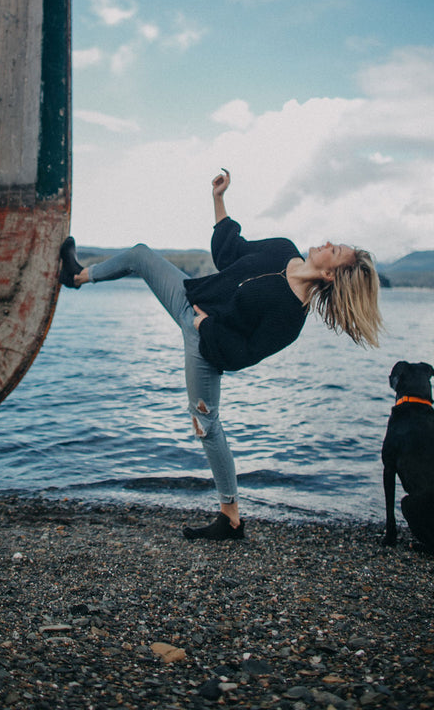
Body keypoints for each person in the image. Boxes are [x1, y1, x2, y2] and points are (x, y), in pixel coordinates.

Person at [59, 169, 382, 542]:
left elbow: (242, 354)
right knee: (141, 255)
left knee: (207, 424)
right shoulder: (283, 249)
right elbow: (230, 251)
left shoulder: (290, 318)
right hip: (188, 294)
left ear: (329, 275)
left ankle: (230, 518)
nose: (327, 243)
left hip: (205, 346)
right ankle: (76, 277)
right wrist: (219, 198)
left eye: (335, 250)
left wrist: (203, 329)